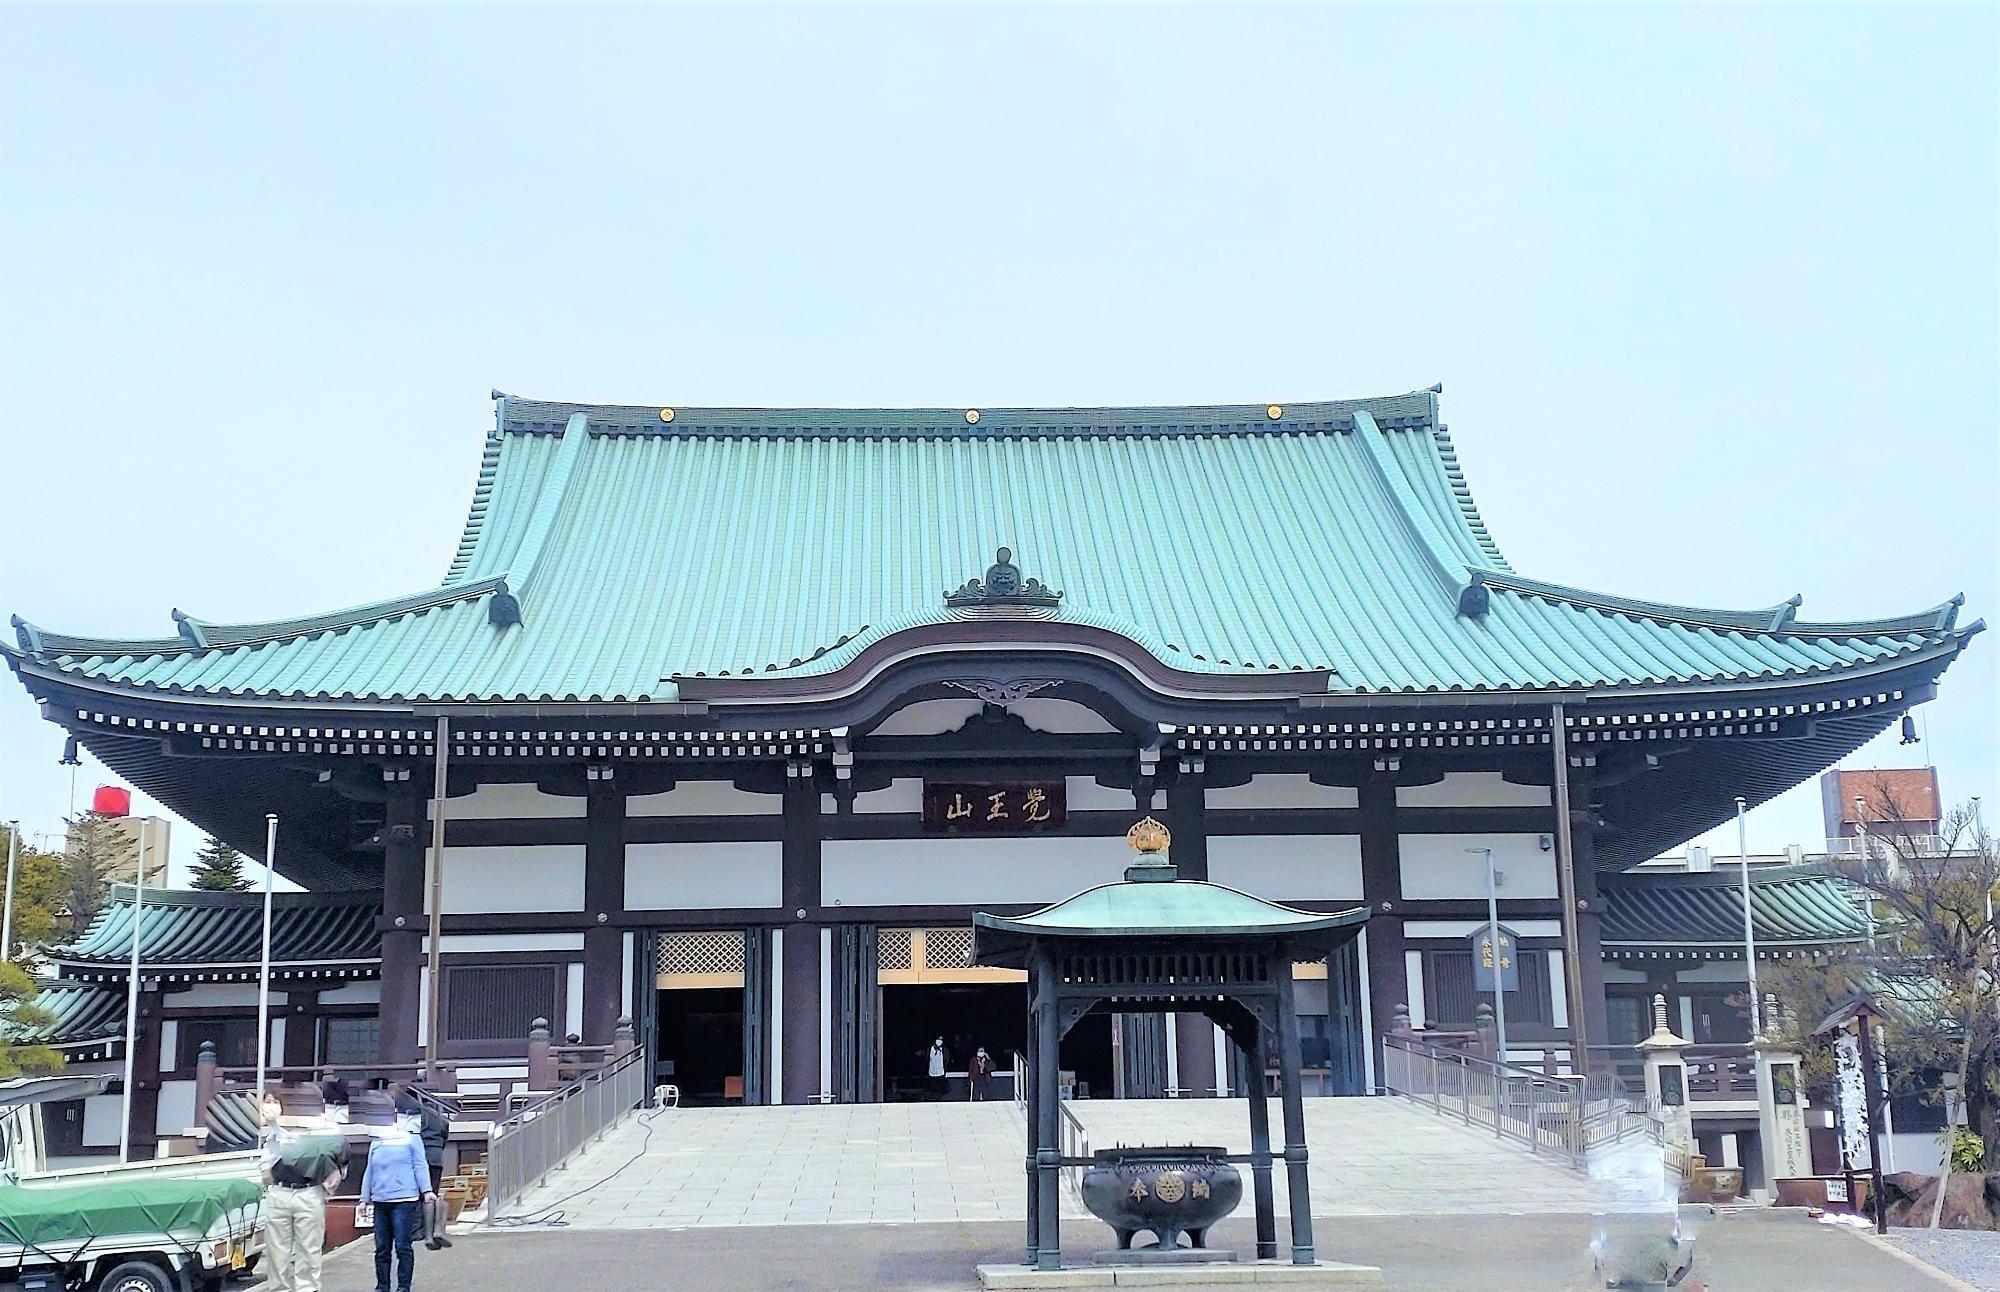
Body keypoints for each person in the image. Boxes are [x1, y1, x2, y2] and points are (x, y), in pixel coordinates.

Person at [261, 1091, 348, 1292]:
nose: (271, 1105)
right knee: (276, 1252)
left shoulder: (322, 1126)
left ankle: (307, 1289)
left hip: (309, 1192)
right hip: (279, 1192)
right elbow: (266, 1156)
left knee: (309, 1250)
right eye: (268, 1101)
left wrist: (331, 1180)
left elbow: (340, 1155)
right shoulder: (272, 1129)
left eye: (275, 1101)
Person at [359, 1094, 434, 1292]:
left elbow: (420, 1165)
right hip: (380, 1200)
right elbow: (370, 1170)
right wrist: (363, 1199)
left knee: (403, 1245)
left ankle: (403, 1287)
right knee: (381, 1248)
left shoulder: (412, 1138)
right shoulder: (376, 1141)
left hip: (405, 1200)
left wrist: (427, 1191)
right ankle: (382, 1286)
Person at [402, 1081, 454, 1249]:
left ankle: (419, 1232)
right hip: (436, 1157)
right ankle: (432, 1231)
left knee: (418, 1195)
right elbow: (444, 1135)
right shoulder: (439, 1115)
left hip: (420, 1157)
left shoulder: (413, 1114)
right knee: (432, 1193)